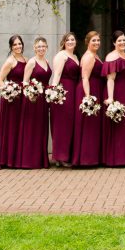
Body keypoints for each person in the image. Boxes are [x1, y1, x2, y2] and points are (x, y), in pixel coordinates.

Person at [15, 36, 51, 169]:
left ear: (46, 48)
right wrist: (31, 94)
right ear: (34, 48)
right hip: (32, 100)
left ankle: (40, 159)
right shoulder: (31, 62)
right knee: (31, 128)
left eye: (43, 46)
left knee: (41, 128)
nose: (41, 49)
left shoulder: (47, 61)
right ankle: (28, 160)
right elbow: (25, 82)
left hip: (44, 100)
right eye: (38, 46)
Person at [102, 30, 125, 166]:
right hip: (118, 92)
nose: (122, 42)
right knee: (119, 124)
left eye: (124, 40)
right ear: (114, 43)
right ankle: (118, 158)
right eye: (119, 40)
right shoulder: (111, 57)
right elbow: (110, 79)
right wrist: (111, 98)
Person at [0, 35, 26, 170]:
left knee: (19, 128)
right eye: (15, 44)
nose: (18, 46)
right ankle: (7, 159)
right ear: (11, 47)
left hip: (22, 98)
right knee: (10, 128)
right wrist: (8, 91)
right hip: (11, 100)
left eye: (19, 44)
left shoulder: (25, 59)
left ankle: (17, 158)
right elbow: (0, 80)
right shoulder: (10, 61)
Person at [71, 31, 104, 166]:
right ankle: (86, 158)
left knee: (93, 125)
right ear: (87, 42)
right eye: (93, 41)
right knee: (88, 124)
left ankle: (93, 157)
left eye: (98, 40)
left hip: (95, 89)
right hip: (88, 90)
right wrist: (88, 96)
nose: (96, 43)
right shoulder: (89, 56)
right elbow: (85, 77)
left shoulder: (95, 55)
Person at [48, 32, 80, 166]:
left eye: (73, 39)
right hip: (63, 93)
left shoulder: (76, 56)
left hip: (74, 92)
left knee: (70, 124)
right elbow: (57, 75)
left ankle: (67, 155)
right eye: (68, 40)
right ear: (64, 42)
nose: (71, 42)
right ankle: (60, 157)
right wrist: (54, 93)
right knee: (62, 124)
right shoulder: (61, 55)